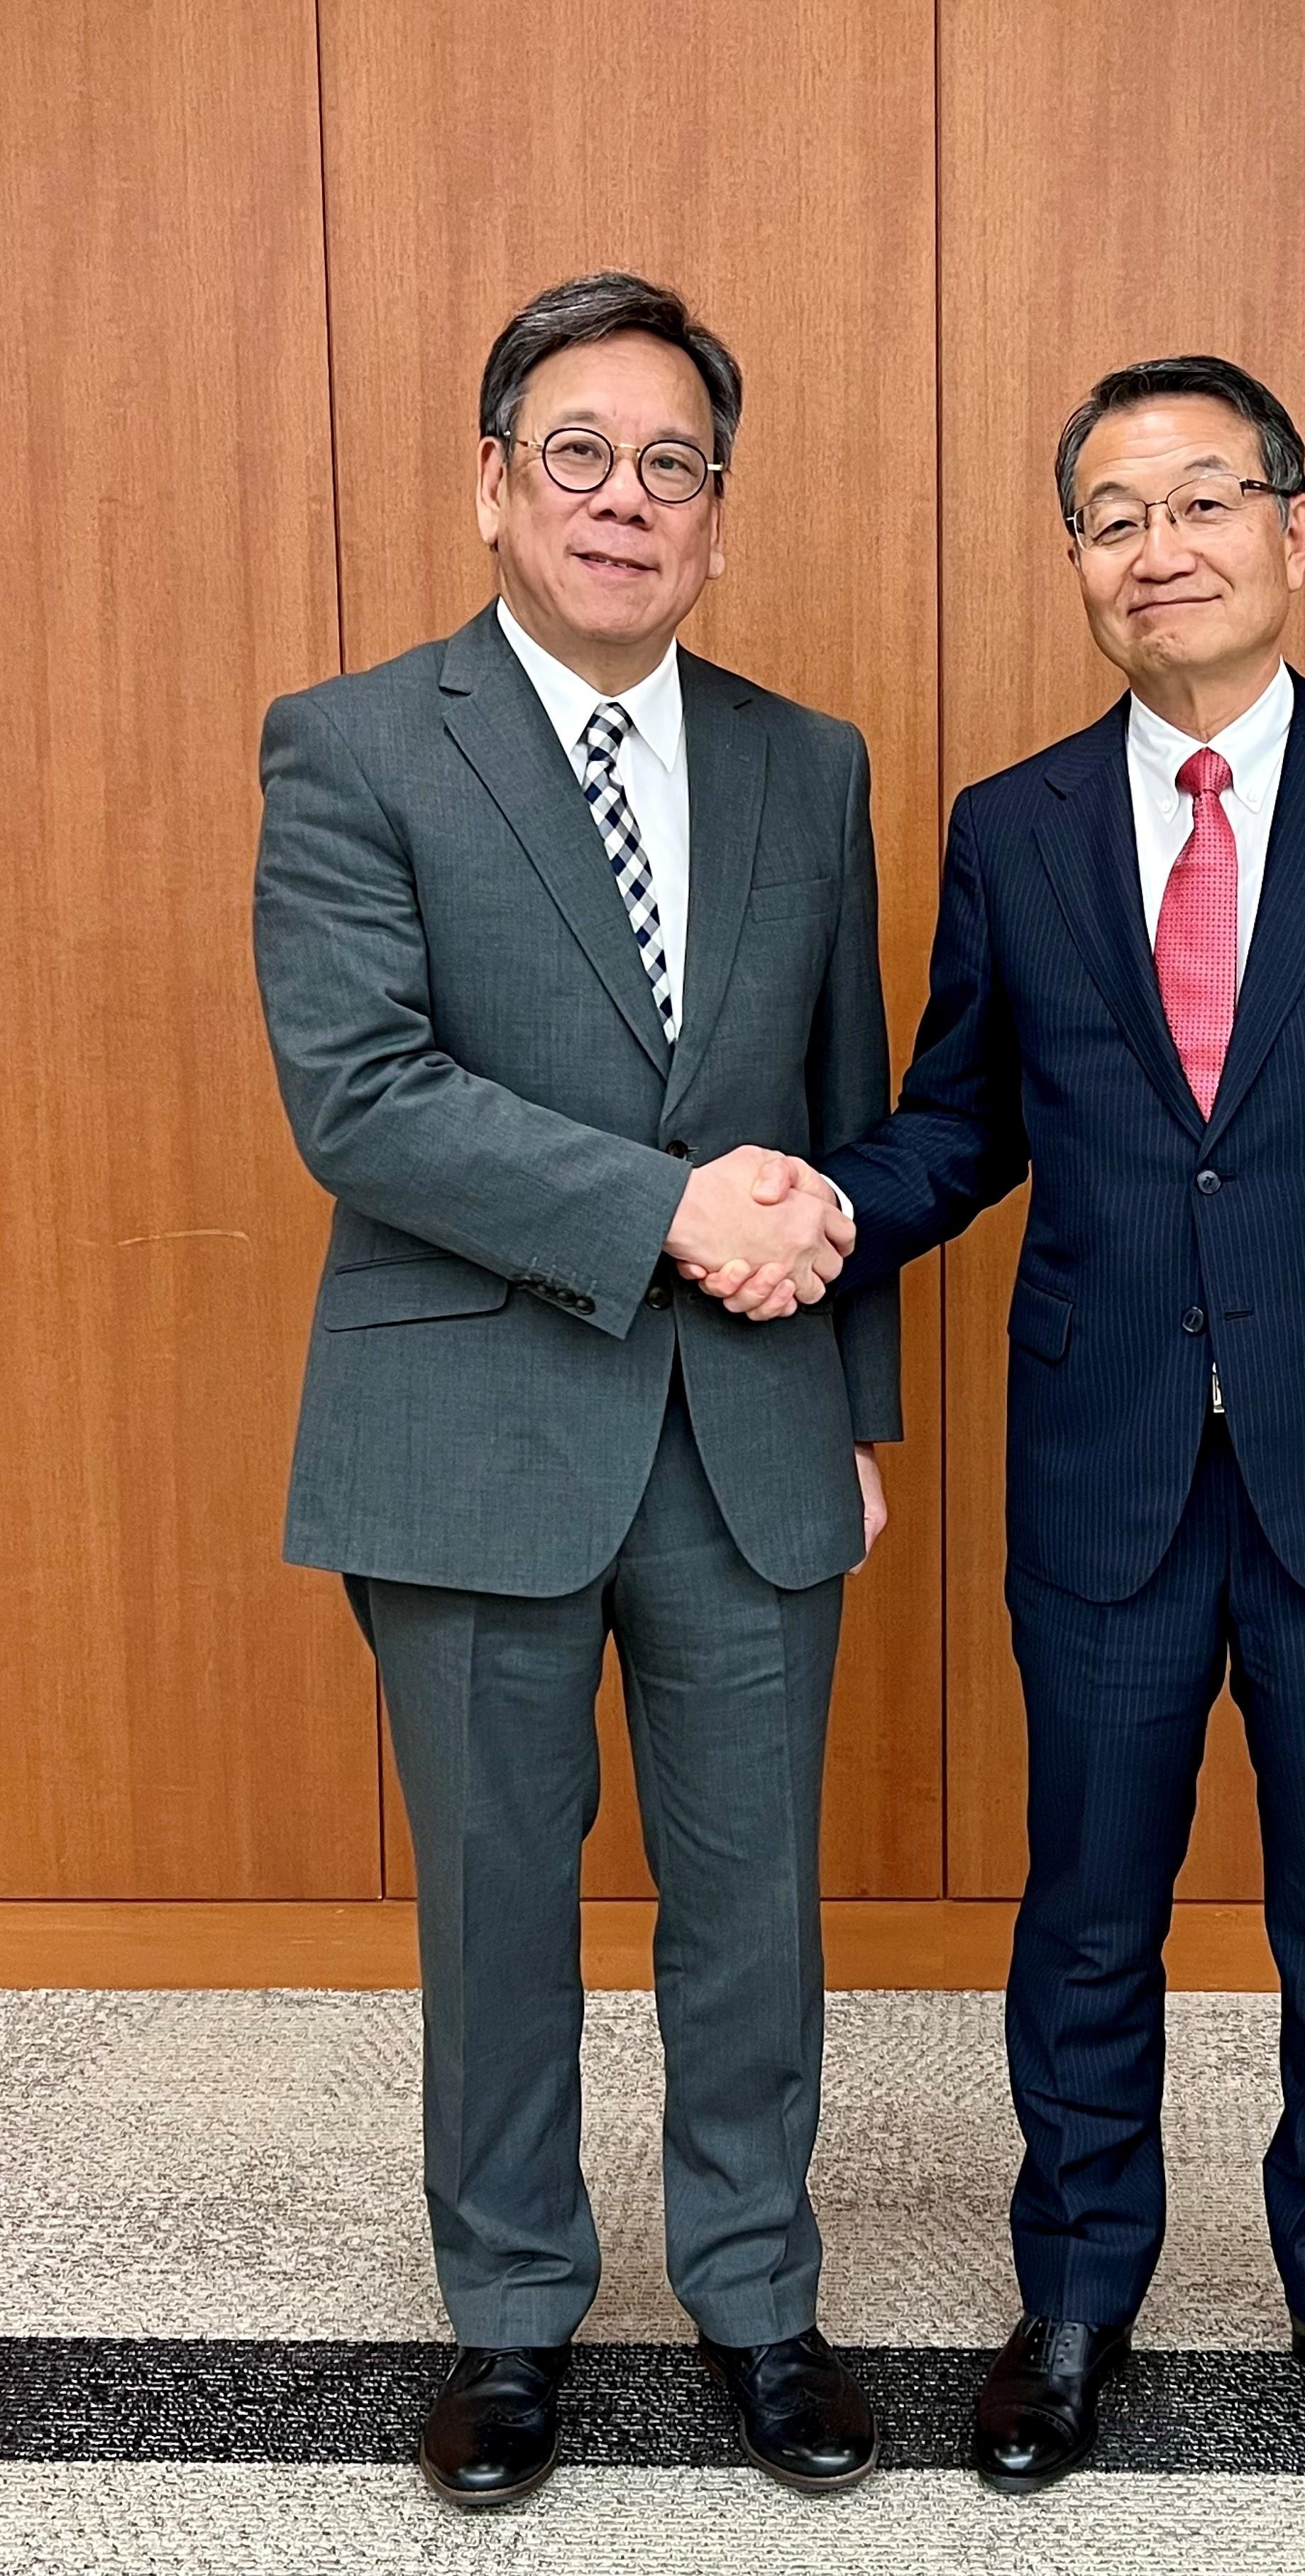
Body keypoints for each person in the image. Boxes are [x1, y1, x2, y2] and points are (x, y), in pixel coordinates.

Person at [689, 354, 1305, 2499]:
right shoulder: (1017, 827)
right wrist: (827, 1208)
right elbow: (961, 1121)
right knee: (1086, 1900)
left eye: (1201, 501)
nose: (1158, 549)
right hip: (1104, 1457)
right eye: (1112, 516)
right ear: (1077, 562)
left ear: (1294, 526)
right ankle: (1075, 2295)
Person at [253, 271, 897, 2507]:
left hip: (752, 1433)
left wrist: (860, 1415)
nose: (628, 499)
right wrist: (667, 1210)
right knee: (496, 1901)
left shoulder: (811, 762)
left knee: (756, 1908)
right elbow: (361, 1096)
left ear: (719, 510)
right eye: (581, 455)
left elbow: (840, 1106)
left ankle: (758, 2297)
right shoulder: (353, 743)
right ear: (496, 483)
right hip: (467, 1435)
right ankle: (515, 2313)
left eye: (674, 464)